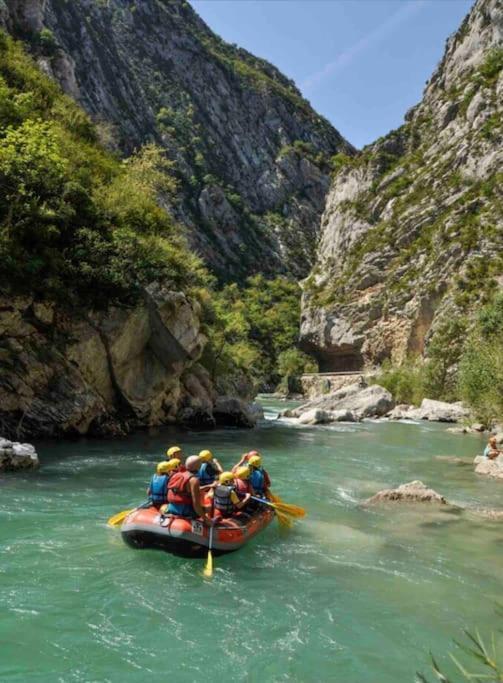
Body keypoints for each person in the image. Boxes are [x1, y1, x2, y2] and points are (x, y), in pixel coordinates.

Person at [167, 455, 209, 521]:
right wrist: (206, 519)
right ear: (199, 466)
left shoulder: (175, 475)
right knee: (209, 508)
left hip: (171, 508)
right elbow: (196, 505)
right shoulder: (194, 480)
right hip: (186, 511)